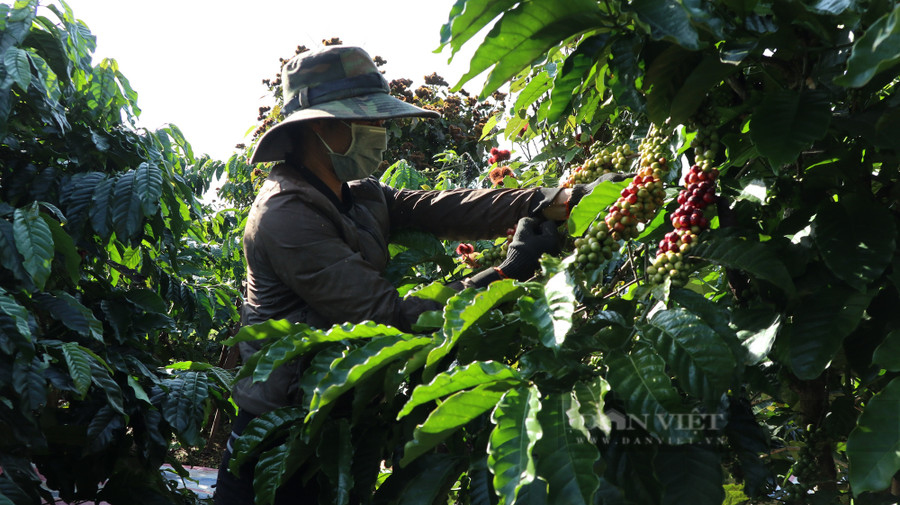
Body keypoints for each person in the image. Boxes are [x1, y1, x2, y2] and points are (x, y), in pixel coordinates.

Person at [213, 44, 621, 505]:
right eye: (372, 121)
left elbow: (444, 208)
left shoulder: (359, 194)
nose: (383, 132)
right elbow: (389, 315)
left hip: (345, 420)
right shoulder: (285, 215)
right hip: (281, 434)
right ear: (324, 127)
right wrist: (509, 271)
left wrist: (555, 197)